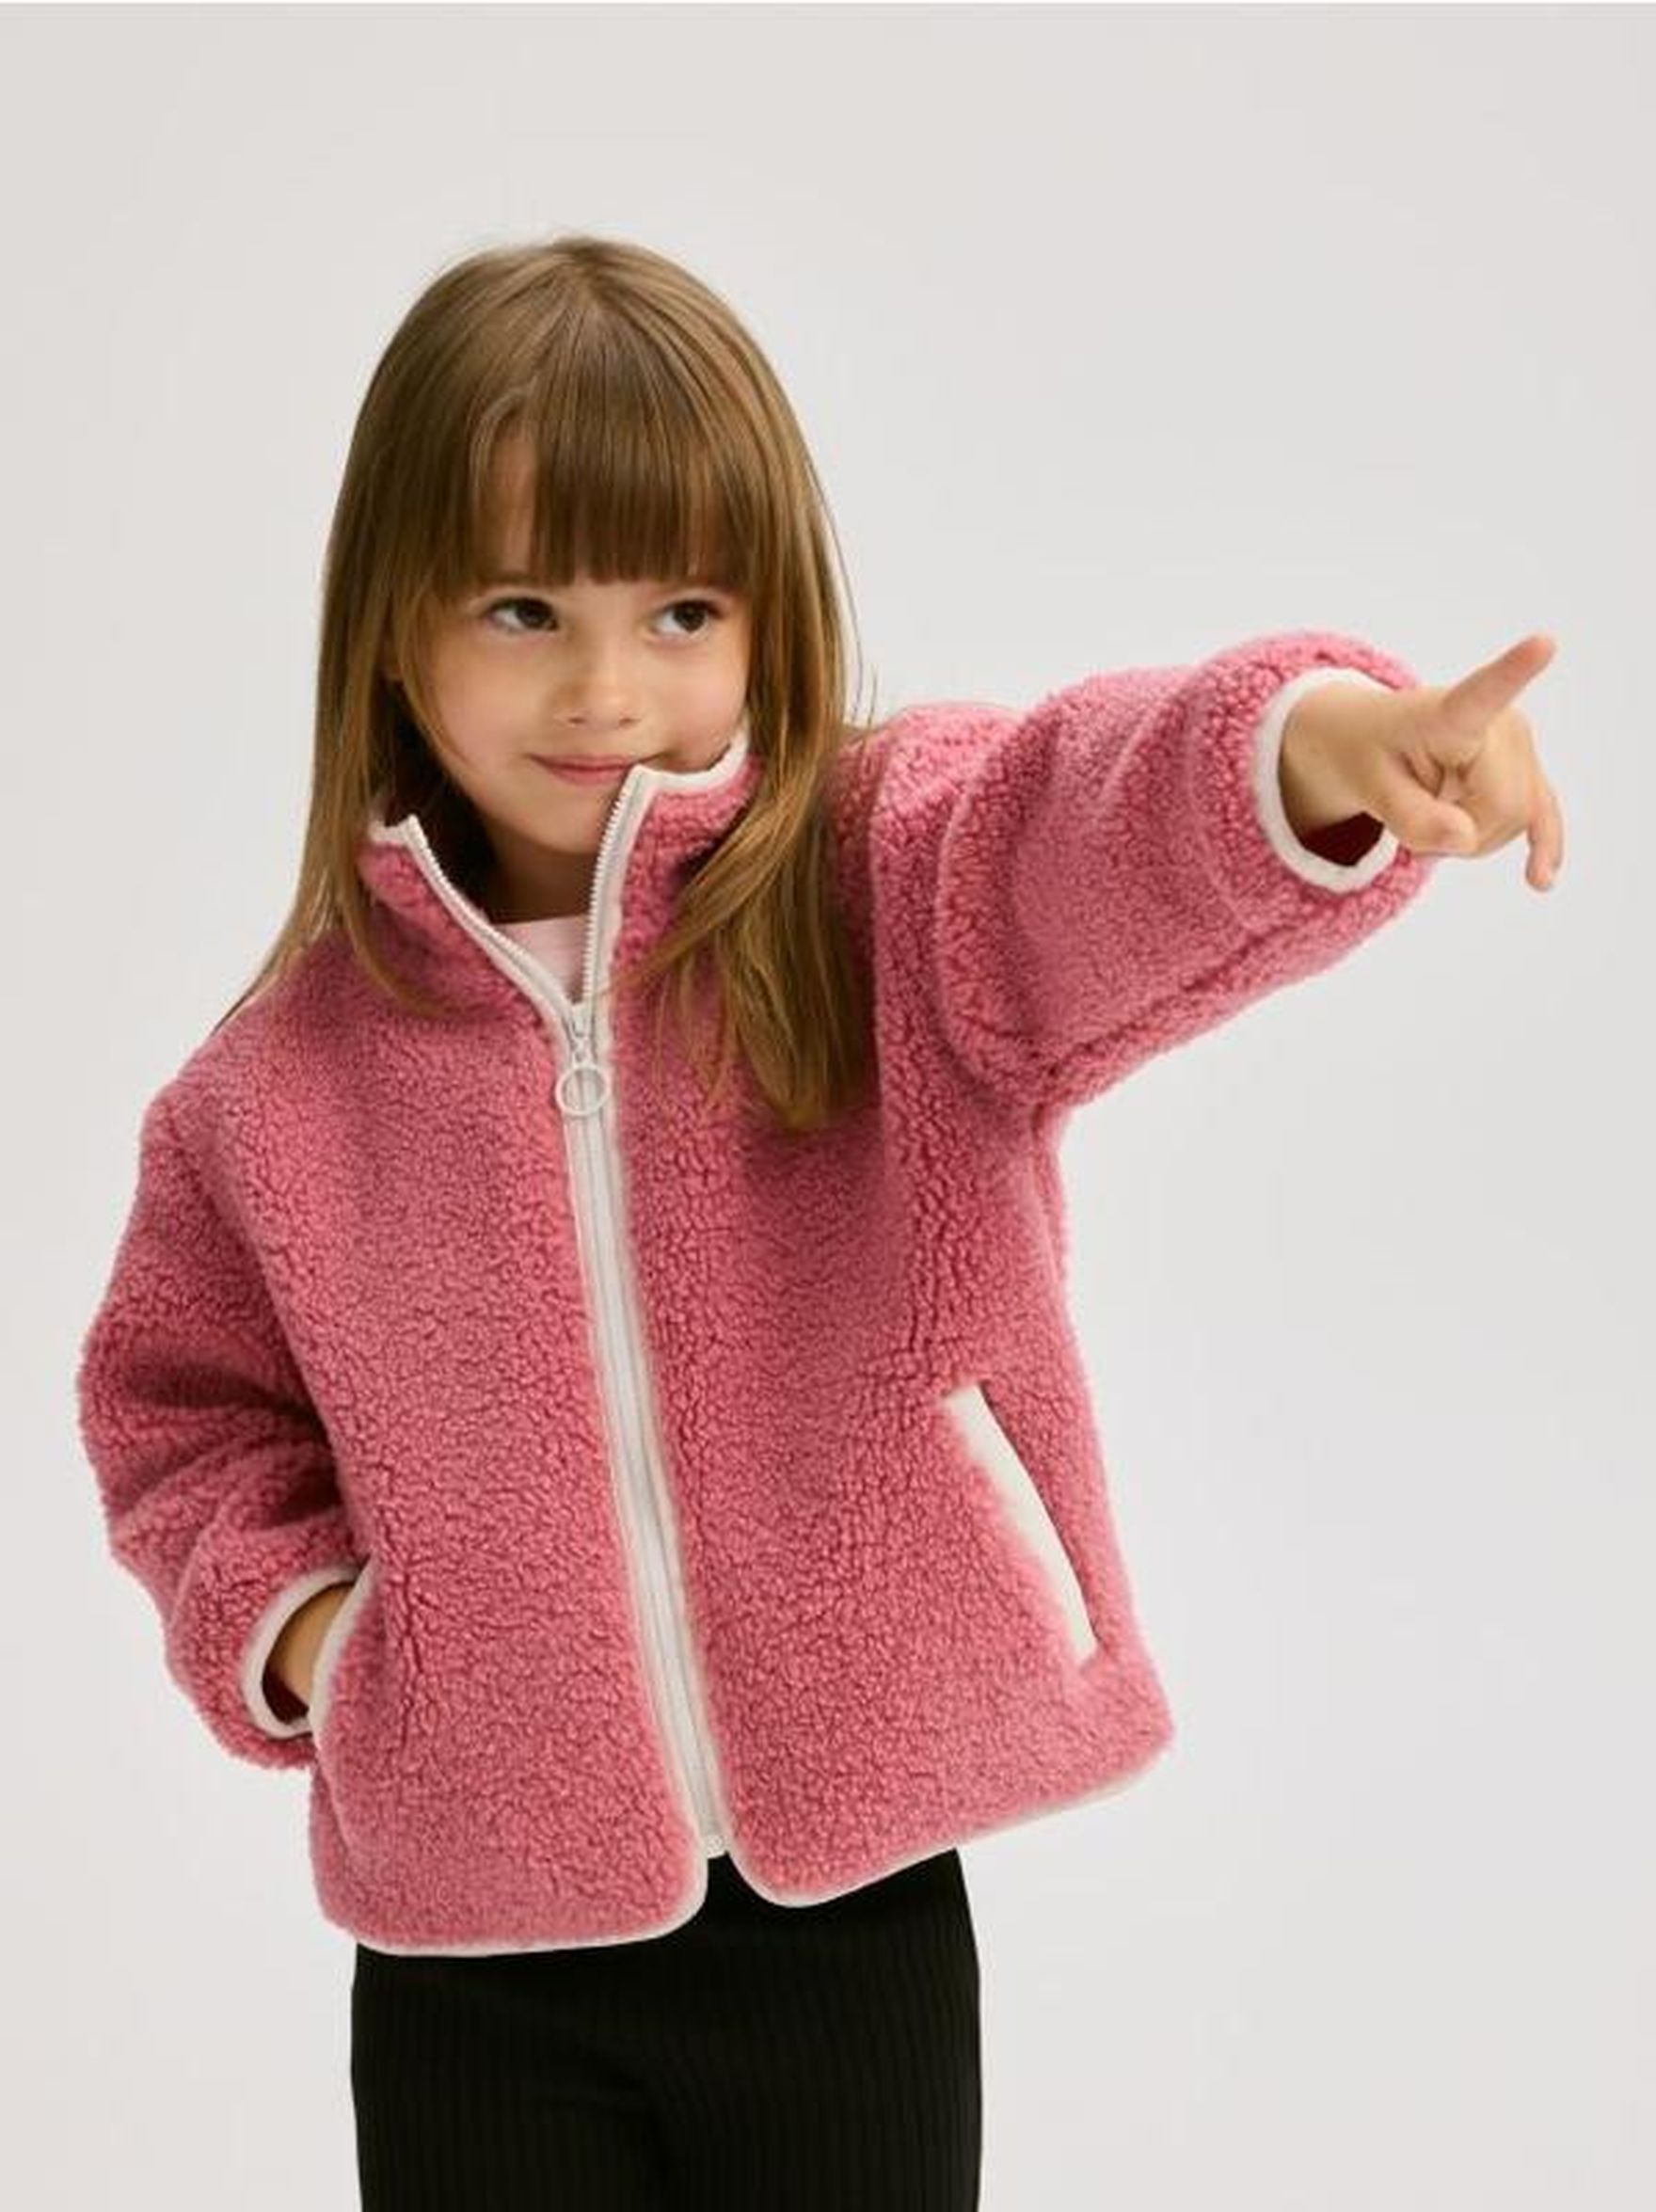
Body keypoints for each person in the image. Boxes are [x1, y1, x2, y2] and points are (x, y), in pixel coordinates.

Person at [72, 232, 1565, 2212]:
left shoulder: (882, 887)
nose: (607, 687)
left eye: (681, 609)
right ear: (393, 633)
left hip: (850, 1914)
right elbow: (180, 1418)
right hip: (471, 1944)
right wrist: (325, 1643)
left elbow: (1081, 816)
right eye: (523, 609)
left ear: (767, 620)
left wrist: (1314, 748)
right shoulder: (276, 1088)